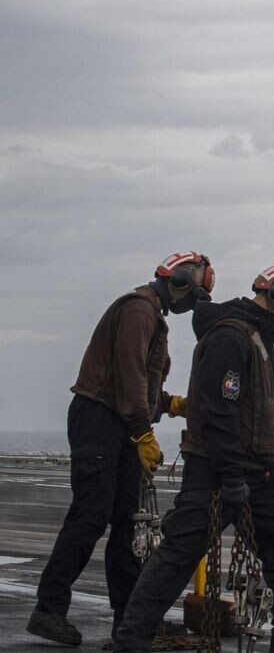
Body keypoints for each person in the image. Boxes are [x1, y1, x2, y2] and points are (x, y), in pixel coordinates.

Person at [113, 263, 274, 653]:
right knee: (178, 556)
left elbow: (266, 403)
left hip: (260, 470)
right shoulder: (231, 337)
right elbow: (218, 412)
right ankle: (131, 641)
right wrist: (230, 478)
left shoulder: (259, 338)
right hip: (216, 470)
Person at [28, 252, 215, 647]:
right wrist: (142, 432)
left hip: (118, 421)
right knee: (90, 517)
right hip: (99, 420)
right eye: (193, 296)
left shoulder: (150, 314)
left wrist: (169, 404)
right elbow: (129, 377)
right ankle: (48, 609)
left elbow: (138, 385)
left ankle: (128, 620)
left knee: (128, 522)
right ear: (180, 284)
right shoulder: (139, 310)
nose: (189, 307)